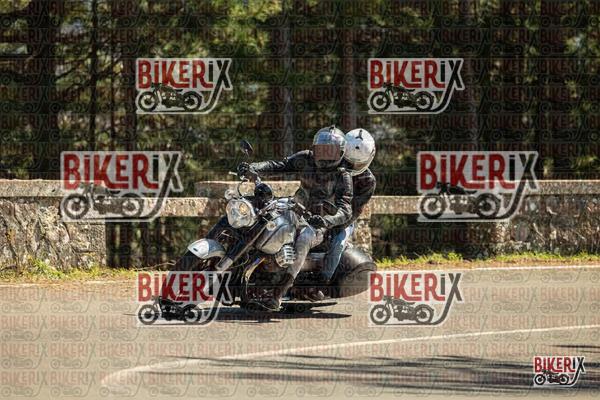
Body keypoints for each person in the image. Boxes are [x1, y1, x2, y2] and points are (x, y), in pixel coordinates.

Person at [237, 126, 353, 311]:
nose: (325, 156)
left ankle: (278, 294)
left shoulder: (343, 176)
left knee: (305, 238)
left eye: (330, 151)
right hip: (296, 208)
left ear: (340, 153)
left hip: (319, 221)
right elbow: (279, 165)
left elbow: (346, 210)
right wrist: (254, 168)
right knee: (266, 217)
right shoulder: (305, 158)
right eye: (321, 150)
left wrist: (327, 221)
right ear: (314, 149)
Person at [319, 128, 376, 284]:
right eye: (349, 162)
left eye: (359, 163)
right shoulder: (330, 165)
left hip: (343, 219)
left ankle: (323, 282)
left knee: (338, 242)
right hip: (318, 210)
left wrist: (333, 226)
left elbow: (355, 211)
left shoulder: (367, 181)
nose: (353, 166)